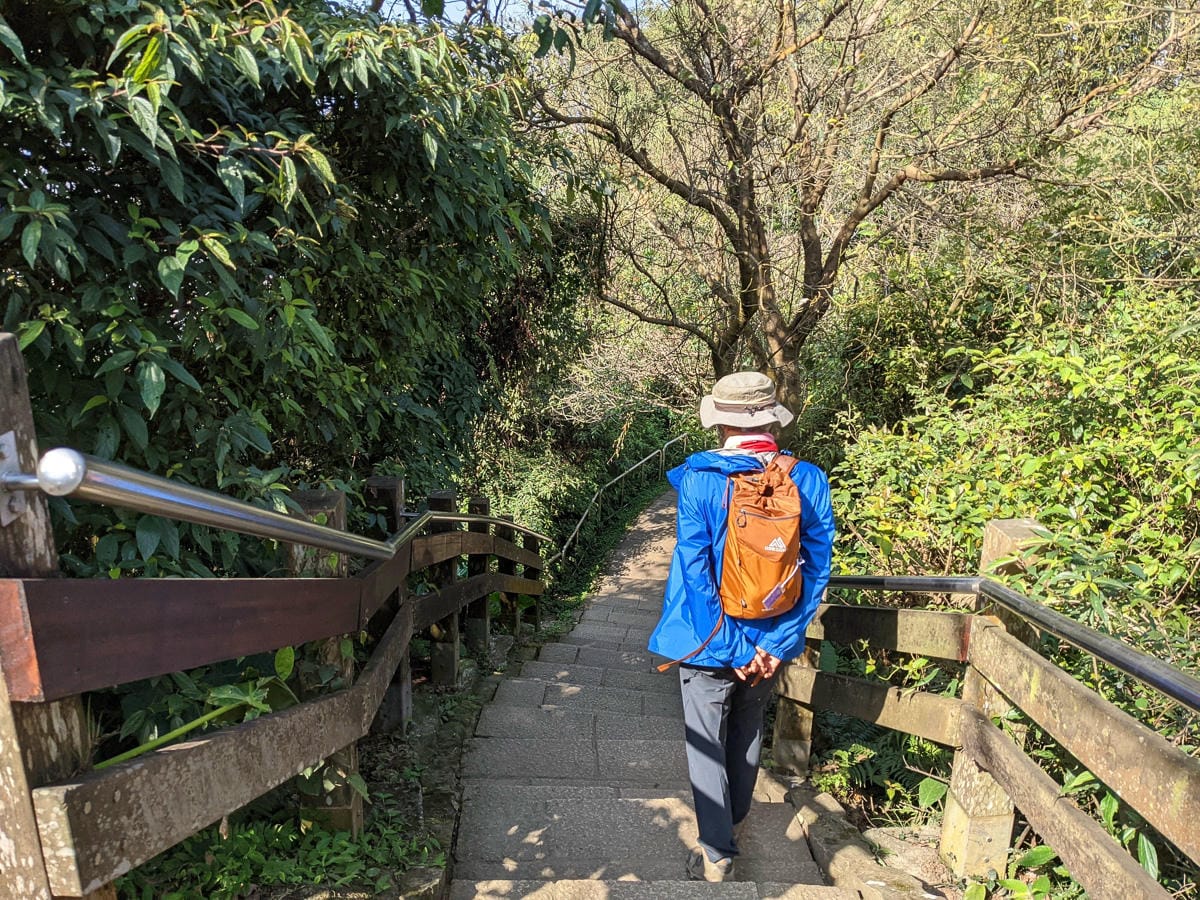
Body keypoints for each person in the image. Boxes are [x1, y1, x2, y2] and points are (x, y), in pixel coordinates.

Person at [648, 371, 835, 883]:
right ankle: (733, 823)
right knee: (747, 726)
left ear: (720, 423)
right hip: (770, 640)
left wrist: (730, 647)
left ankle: (717, 853)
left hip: (708, 640)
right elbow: (815, 572)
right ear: (773, 418)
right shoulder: (808, 479)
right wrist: (773, 644)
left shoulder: (700, 480)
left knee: (705, 739)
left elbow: (696, 572)